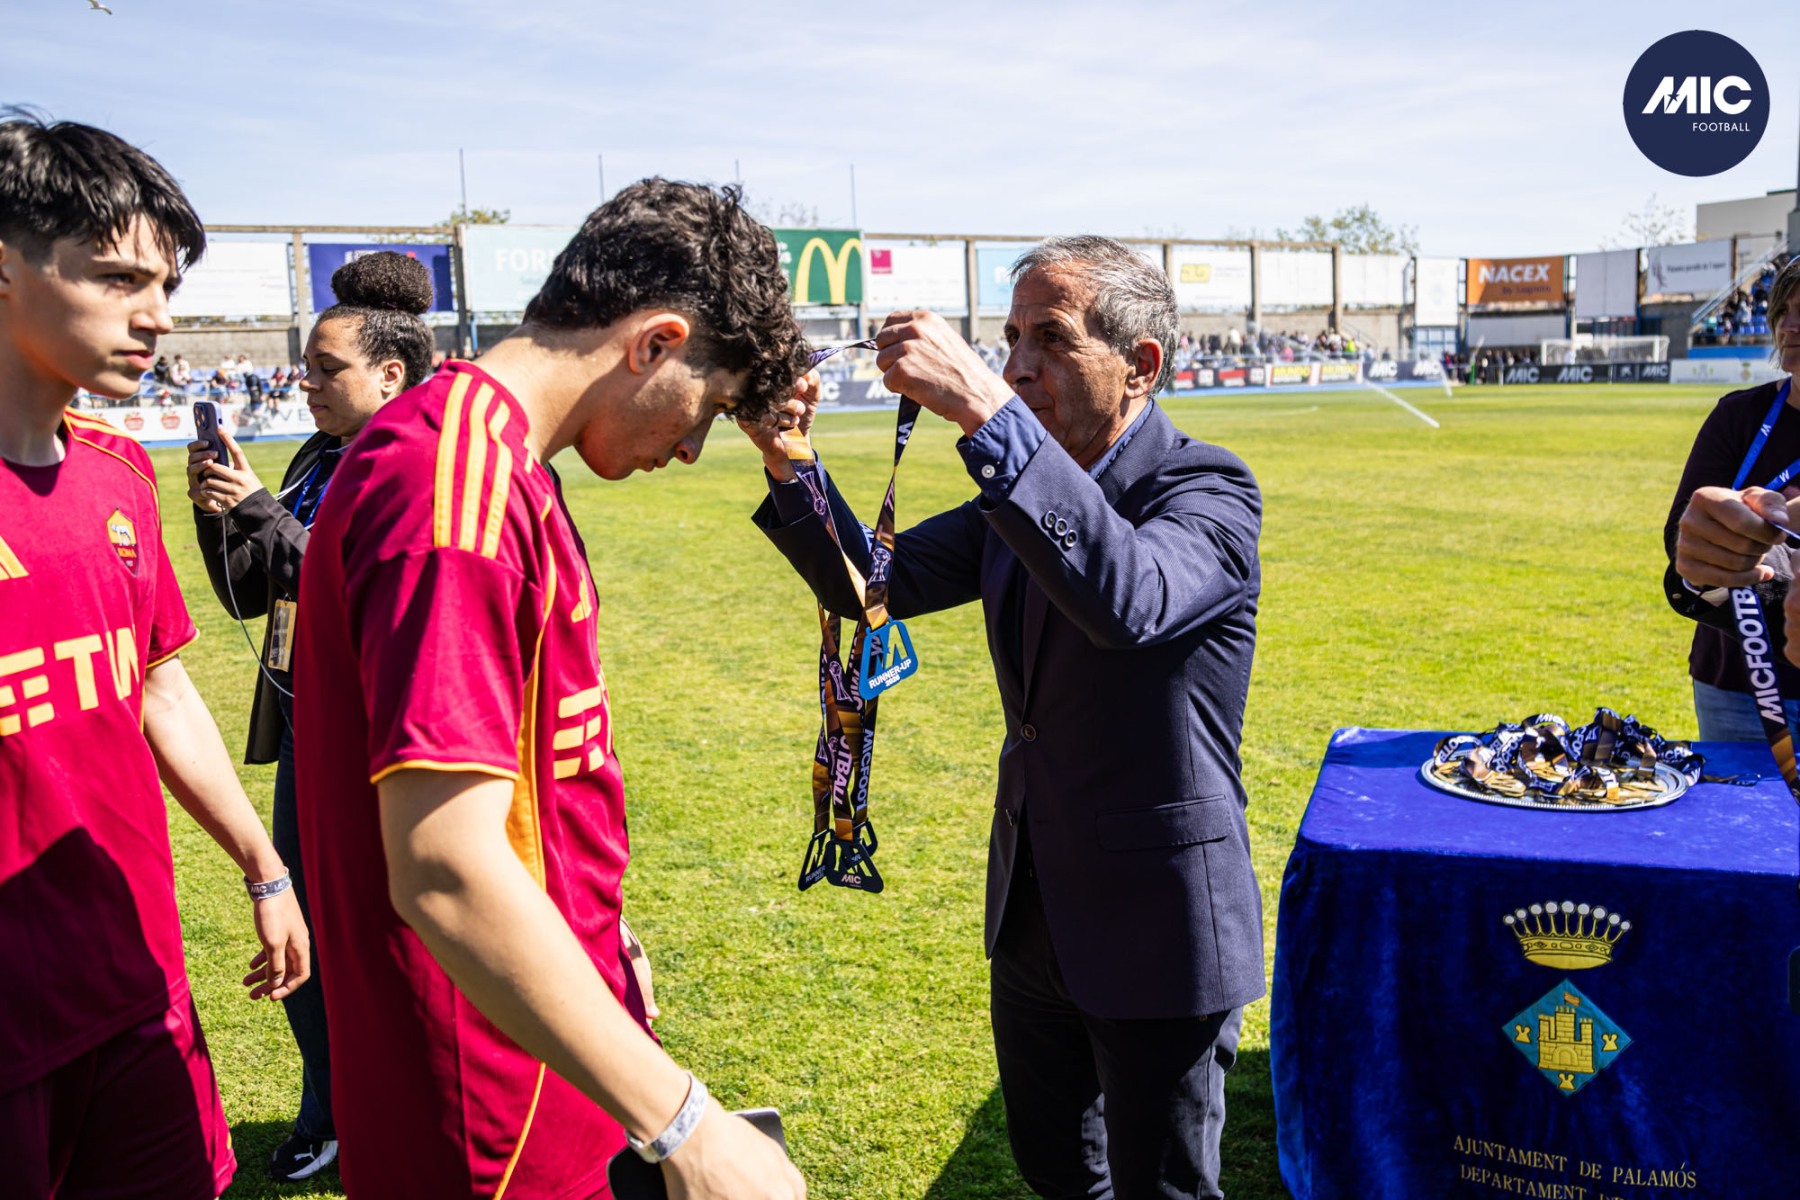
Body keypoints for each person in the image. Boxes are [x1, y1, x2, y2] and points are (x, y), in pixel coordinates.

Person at [293, 179, 809, 1199]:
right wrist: (687, 1125)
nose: (690, 448)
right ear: (655, 344)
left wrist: (600, 937)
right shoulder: (449, 485)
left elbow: (528, 777)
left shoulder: (492, 459)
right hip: (487, 1093)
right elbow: (444, 866)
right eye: (706, 408)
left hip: (540, 1035)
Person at [743, 236, 1264, 1199]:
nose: (1018, 364)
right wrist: (790, 459)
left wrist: (985, 406)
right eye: (1011, 338)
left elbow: (1129, 599)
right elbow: (872, 583)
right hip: (1034, 907)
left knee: (1161, 1189)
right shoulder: (1018, 496)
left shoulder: (1207, 490)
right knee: (1053, 1165)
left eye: (1050, 339)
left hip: (1158, 926)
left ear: (1141, 365)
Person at [0, 111, 310, 1200]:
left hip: (136, 986)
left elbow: (160, 690)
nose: (158, 316)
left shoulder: (119, 471)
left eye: (165, 285)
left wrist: (265, 869)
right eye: (118, 278)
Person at [185, 251, 434, 1181]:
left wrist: (262, 511)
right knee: (304, 929)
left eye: (327, 369)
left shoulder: (418, 463)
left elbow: (358, 590)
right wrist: (223, 514)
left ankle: (395, 1108)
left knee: (393, 940)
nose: (306, 383)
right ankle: (329, 1110)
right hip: (304, 731)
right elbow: (254, 598)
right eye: (307, 366)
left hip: (381, 739)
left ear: (390, 374)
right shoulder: (317, 454)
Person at [1665, 256, 1800, 732]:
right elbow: (1679, 532)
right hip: (1736, 687)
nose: (1789, 325)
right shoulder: (1738, 415)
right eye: (1783, 310)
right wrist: (1708, 547)